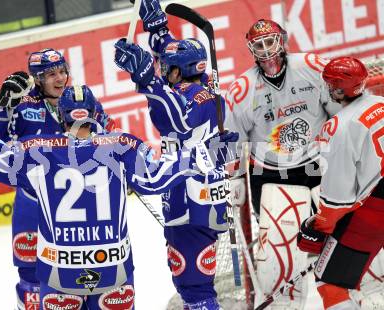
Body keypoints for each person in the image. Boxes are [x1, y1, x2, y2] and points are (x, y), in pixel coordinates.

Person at [0, 86, 237, 309]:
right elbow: (157, 177)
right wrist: (207, 153)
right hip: (113, 273)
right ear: (95, 113)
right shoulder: (122, 144)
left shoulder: (36, 149)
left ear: (61, 115)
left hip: (60, 277)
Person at [114, 1, 235, 308]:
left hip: (190, 201)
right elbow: (172, 56)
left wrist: (147, 81)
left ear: (180, 71)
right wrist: (157, 26)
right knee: (194, 286)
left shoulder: (190, 98)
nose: (163, 69)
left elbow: (178, 118)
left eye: (168, 68)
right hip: (201, 197)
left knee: (195, 290)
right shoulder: (203, 86)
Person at [0, 48, 115, 309]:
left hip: (76, 205)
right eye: (51, 74)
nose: (60, 78)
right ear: (37, 79)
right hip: (33, 202)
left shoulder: (82, 100)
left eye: (62, 71)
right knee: (31, 276)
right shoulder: (22, 103)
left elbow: (111, 135)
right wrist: (2, 103)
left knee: (83, 273)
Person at [224, 19, 341, 308]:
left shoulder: (314, 68)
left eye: (270, 41)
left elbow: (340, 112)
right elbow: (232, 140)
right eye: (259, 44)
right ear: (251, 49)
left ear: (283, 40)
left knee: (343, 238)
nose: (266, 50)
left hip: (318, 166)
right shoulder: (242, 89)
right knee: (278, 254)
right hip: (271, 174)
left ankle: (347, 294)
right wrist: (235, 177)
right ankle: (284, 302)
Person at [297, 56, 384, 310]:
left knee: (331, 284)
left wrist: (319, 225)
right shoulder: (381, 102)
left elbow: (338, 195)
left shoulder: (340, 126)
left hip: (374, 210)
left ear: (337, 89)